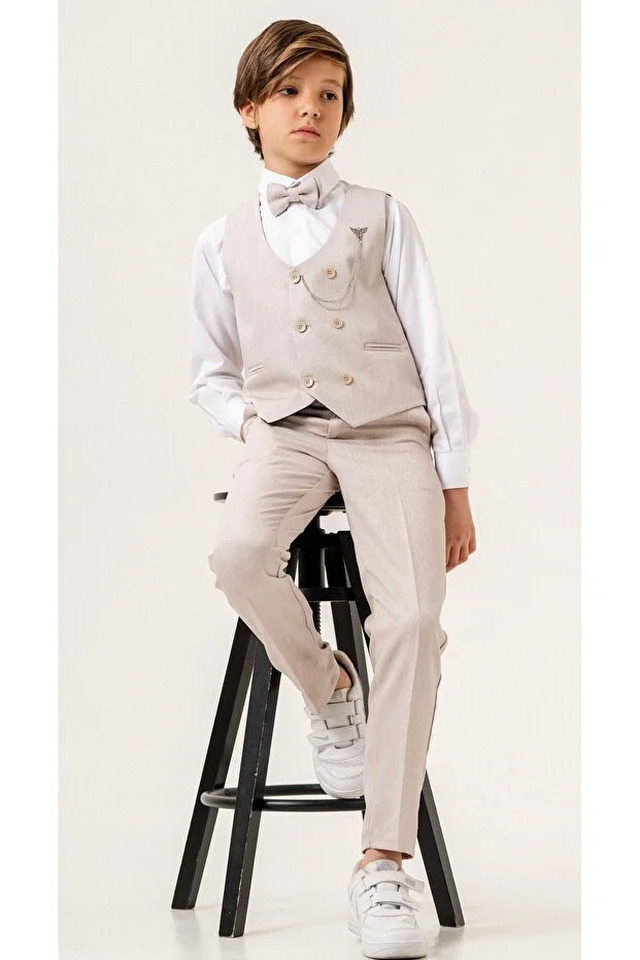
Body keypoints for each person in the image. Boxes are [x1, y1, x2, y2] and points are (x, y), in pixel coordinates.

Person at [187, 18, 478, 960]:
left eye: (329, 95)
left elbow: (433, 350)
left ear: (345, 115)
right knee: (238, 555)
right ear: (250, 109)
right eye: (290, 91)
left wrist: (455, 482)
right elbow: (210, 374)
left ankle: (383, 860)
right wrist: (255, 429)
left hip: (389, 432)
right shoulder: (220, 240)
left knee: (415, 619)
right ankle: (327, 683)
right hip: (285, 434)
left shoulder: (384, 216)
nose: (311, 109)